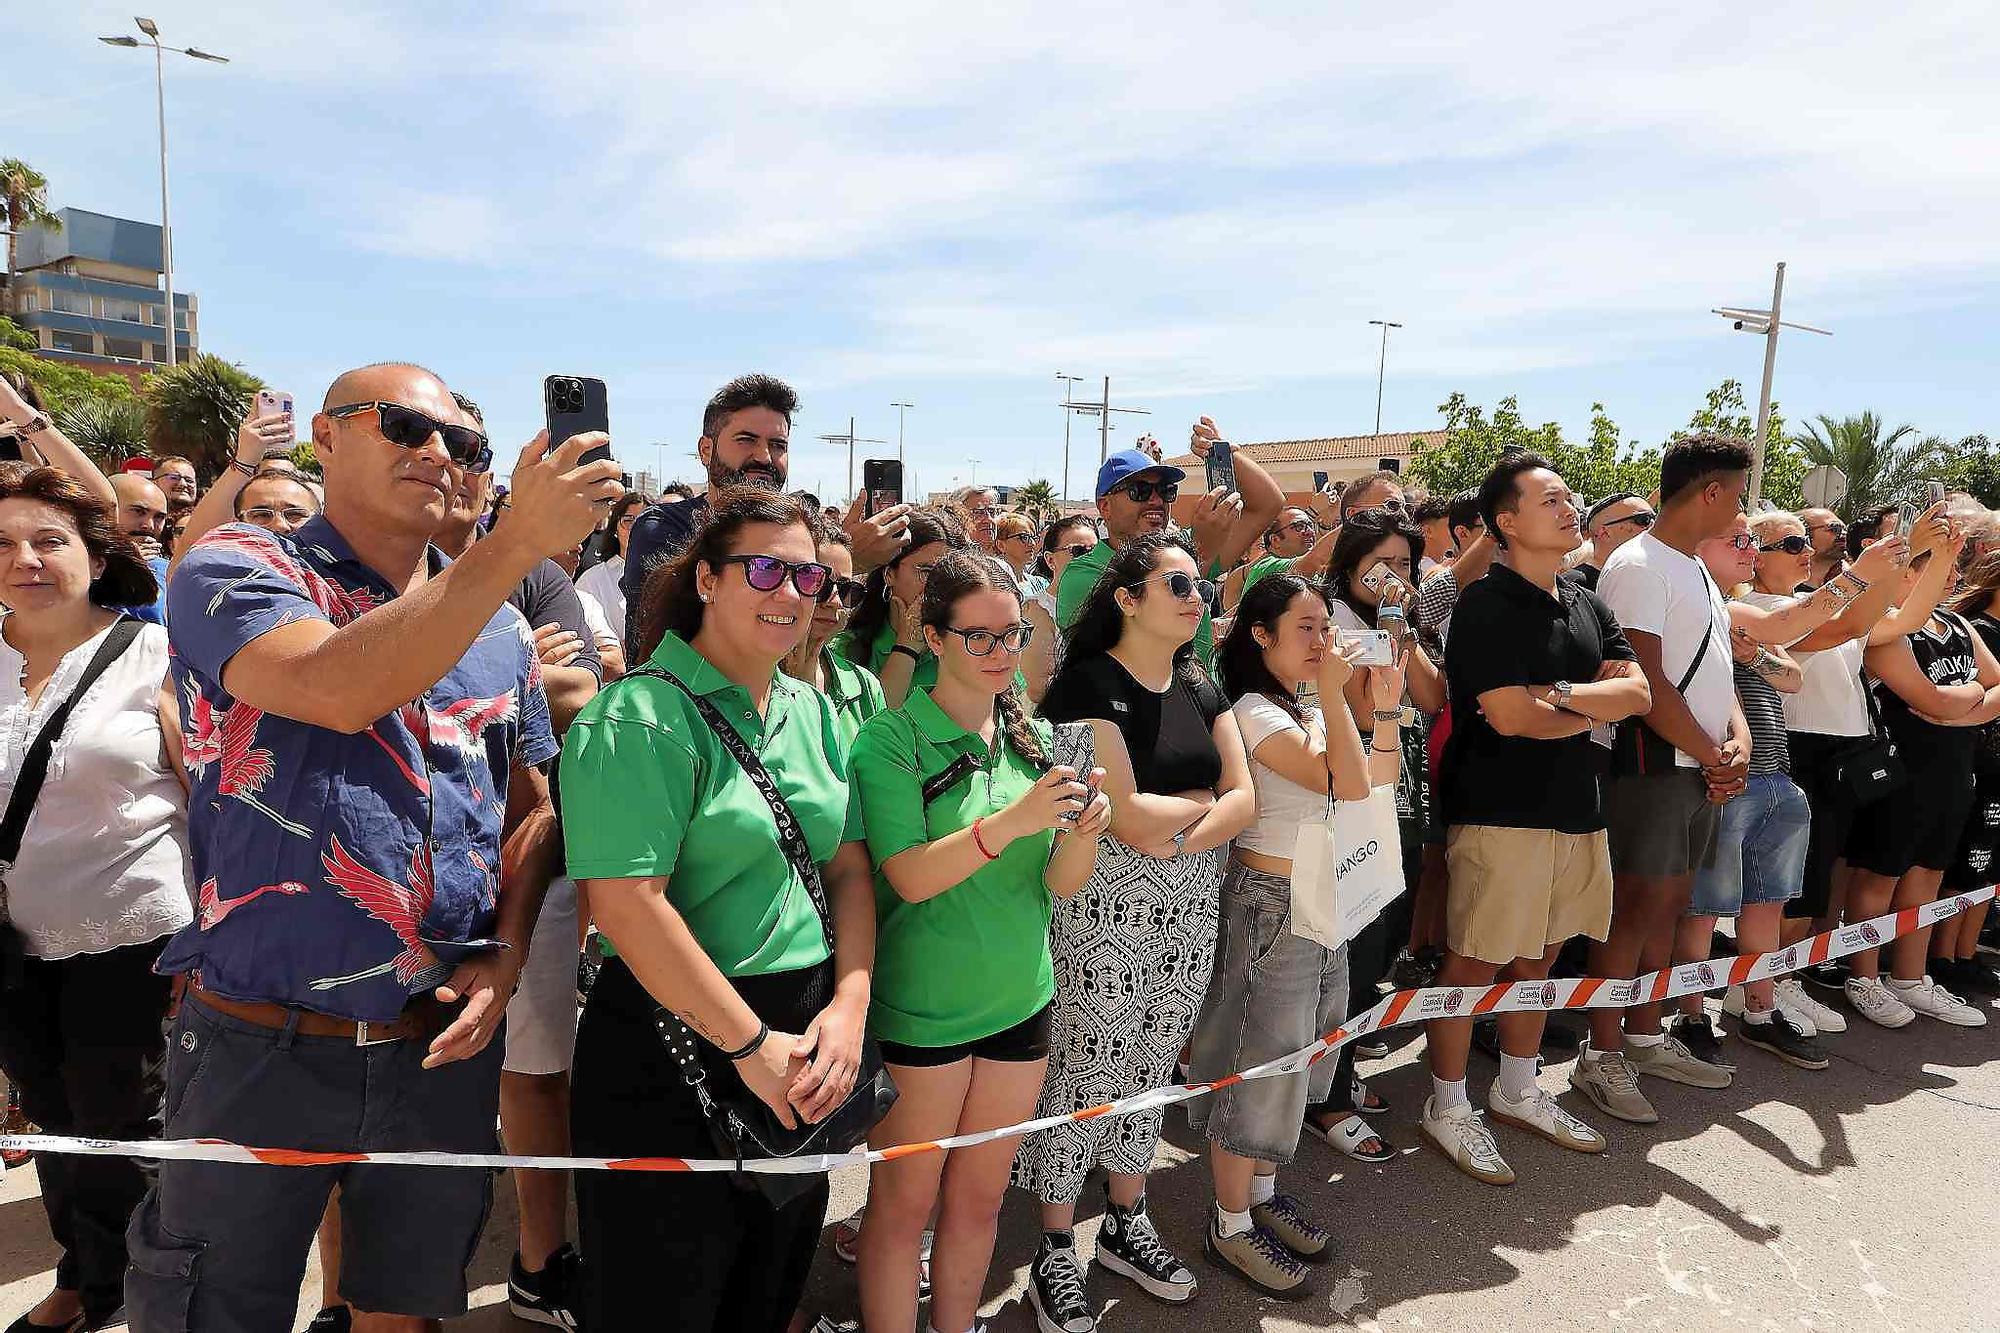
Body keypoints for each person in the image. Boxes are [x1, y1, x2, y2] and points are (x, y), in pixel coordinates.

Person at [128, 363, 611, 1333]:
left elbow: (534, 809)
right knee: (210, 1312)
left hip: (434, 1051)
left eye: (463, 444)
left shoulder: (504, 634)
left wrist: (506, 955)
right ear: (325, 435)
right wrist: (516, 541)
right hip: (257, 1044)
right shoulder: (236, 568)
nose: (438, 454)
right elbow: (336, 684)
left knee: (406, 1308)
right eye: (404, 426)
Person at [561, 487, 876, 1331]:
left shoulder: (813, 709)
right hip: (675, 1044)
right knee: (658, 1301)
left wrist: (849, 1004)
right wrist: (749, 1045)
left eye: (808, 576)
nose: (791, 593)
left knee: (766, 1293)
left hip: (804, 1036)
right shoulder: (639, 715)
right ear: (705, 578)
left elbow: (847, 866)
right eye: (765, 569)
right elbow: (627, 906)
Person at [851, 551, 1111, 1333]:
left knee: (982, 1198)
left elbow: (1060, 886)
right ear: (932, 637)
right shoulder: (890, 739)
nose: (1003, 653)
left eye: (1014, 633)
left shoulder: (1030, 734)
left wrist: (1085, 834)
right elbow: (909, 876)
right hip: (923, 1013)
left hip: (1020, 1004)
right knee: (904, 1209)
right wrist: (1017, 821)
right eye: (981, 638)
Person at [1016, 532, 1255, 1333]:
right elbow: (1123, 813)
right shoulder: (1087, 684)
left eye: (1202, 586)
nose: (1197, 597)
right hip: (1102, 914)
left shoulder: (1198, 680)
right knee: (1084, 1070)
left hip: (1187, 907)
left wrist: (1176, 823)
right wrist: (1202, 811)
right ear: (1127, 597)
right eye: (1179, 583)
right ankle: (1055, 1243)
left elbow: (1242, 797)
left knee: (1152, 1062)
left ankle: (1124, 1217)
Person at [1419, 454, 1649, 1186]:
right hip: (1499, 812)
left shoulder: (1587, 598)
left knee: (1542, 956)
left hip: (1577, 809)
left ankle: (1518, 1089)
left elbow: (1639, 691)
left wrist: (1558, 695)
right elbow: (1510, 717)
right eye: (1550, 498)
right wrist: (1585, 702)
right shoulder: (1484, 605)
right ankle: (1447, 1105)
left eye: (1569, 496)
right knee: (1475, 961)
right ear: (1506, 521)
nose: (1568, 506)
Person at [0, 465, 189, 1333]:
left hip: (134, 937)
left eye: (48, 540)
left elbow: (209, 794)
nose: (24, 560)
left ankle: (122, 1299)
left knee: (122, 1132)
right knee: (49, 1121)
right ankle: (84, 1277)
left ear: (94, 552)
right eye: (3, 544)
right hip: (13, 945)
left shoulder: (155, 652)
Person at [1189, 574, 1403, 1296]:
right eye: (1307, 628)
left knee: (1304, 1056)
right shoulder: (1253, 711)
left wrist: (1377, 699)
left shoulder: (1302, 702)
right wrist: (1341, 697)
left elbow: (1376, 777)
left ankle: (1261, 1193)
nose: (1324, 640)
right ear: (1261, 635)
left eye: (1326, 626)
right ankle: (1230, 1224)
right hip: (1271, 901)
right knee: (1258, 1065)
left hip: (1320, 893)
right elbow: (1342, 781)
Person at [1577, 435, 1753, 1125]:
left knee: (1669, 906)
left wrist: (1734, 741)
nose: (1743, 508)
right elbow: (1643, 680)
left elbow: (1718, 673)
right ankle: (1601, 1053)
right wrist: (1715, 753)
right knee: (1633, 912)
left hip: (1695, 767)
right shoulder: (1638, 564)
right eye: (1737, 492)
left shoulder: (1695, 568)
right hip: (1650, 766)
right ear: (1710, 491)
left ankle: (1645, 1037)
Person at [1727, 508, 1921, 1038]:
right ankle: (1760, 985)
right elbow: (1842, 625)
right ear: (1757, 556)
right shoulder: (1757, 606)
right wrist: (1867, 571)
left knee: (1806, 878)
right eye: (1789, 542)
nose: (1803, 549)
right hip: (1789, 748)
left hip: (1831, 752)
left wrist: (1905, 563)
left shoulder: (1803, 605)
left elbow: (1872, 623)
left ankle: (1776, 979)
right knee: (1784, 883)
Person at [1667, 515, 1825, 1069]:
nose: (1749, 550)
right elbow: (1790, 646)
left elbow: (1793, 678)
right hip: (1728, 777)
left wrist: (1754, 655)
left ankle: (1758, 1010)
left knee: (1767, 902)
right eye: (1738, 539)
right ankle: (1690, 1015)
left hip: (1776, 774)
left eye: (1753, 542)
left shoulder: (1739, 613)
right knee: (1704, 907)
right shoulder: (1720, 607)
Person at [1843, 527, 1998, 1029]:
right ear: (1908, 573)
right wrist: (1969, 698)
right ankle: (1863, 974)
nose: (1953, 577)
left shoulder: (1956, 624)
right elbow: (1922, 698)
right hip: (1901, 774)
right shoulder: (1887, 630)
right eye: (1941, 566)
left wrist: (1961, 710)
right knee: (1879, 876)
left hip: (1954, 772)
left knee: (1929, 875)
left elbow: (1989, 686)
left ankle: (1909, 977)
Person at [621, 375, 910, 643]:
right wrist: (841, 565)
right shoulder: (663, 528)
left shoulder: (799, 532)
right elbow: (667, 632)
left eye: (777, 445)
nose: (763, 457)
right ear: (706, 450)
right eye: (746, 440)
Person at [1056, 417, 1283, 665]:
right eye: (1140, 491)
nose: (1156, 501)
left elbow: (1269, 503)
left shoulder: (1183, 546)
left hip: (1205, 698)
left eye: (1166, 490)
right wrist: (1202, 553)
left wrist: (1226, 454)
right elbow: (1138, 640)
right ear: (1105, 507)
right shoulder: (1083, 574)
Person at [827, 507, 969, 707]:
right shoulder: (845, 647)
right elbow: (874, 725)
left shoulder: (968, 643)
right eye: (926, 571)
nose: (939, 584)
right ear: (889, 574)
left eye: (950, 575)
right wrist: (906, 647)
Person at [1937, 550, 2000, 997]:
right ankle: (1944, 954)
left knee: (1987, 863)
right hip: (1977, 761)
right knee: (1968, 859)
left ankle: (1966, 950)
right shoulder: (1981, 631)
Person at [168, 408, 313, 567]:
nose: (279, 526)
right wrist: (245, 459)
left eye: (295, 514)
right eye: (261, 515)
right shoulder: (222, 574)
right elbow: (186, 559)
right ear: (237, 522)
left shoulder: (336, 569)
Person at [783, 525, 884, 749]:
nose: (835, 601)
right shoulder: (754, 679)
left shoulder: (865, 686)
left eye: (848, 590)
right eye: (819, 583)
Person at [1023, 515, 1099, 701]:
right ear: (1050, 560)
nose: (1089, 558)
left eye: (1095, 551)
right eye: (1078, 551)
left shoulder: (1111, 602)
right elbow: (1038, 688)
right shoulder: (1036, 610)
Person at [1219, 504, 1337, 614]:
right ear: (1275, 540)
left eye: (1310, 525)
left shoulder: (1313, 572)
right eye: (1299, 526)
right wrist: (1352, 522)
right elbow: (1316, 559)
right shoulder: (1267, 567)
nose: (1309, 532)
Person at [577, 488, 646, 648]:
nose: (636, 528)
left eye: (644, 521)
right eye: (629, 520)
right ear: (616, 527)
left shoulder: (669, 575)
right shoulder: (592, 579)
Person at [106, 473, 170, 624]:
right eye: (138, 511)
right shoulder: (80, 565)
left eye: (159, 517)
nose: (149, 525)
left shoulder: (171, 572)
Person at [1565, 493, 1656, 592]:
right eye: (1644, 519)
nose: (1653, 526)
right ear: (1605, 533)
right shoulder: (1572, 586)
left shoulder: (1649, 580)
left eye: (1655, 519)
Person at [993, 509, 1048, 601]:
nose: (1032, 544)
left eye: (1033, 538)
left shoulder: (1041, 583)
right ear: (1001, 545)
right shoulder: (992, 585)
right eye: (1024, 537)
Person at [1798, 507, 1848, 588]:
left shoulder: (1855, 583)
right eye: (1835, 528)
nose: (1844, 534)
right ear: (1805, 533)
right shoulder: (1780, 587)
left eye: (1845, 529)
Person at [957, 485, 1002, 553]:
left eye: (992, 511)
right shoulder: (949, 561)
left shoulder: (1007, 561)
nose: (989, 519)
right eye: (978, 512)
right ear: (957, 516)